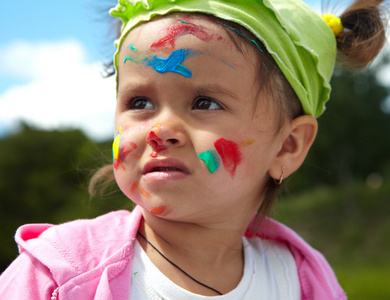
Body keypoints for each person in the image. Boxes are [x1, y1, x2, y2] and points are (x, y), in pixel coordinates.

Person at [0, 0, 387, 299]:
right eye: (139, 103)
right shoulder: (59, 273)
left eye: (204, 103)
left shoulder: (303, 280)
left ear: (287, 146)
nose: (161, 129)